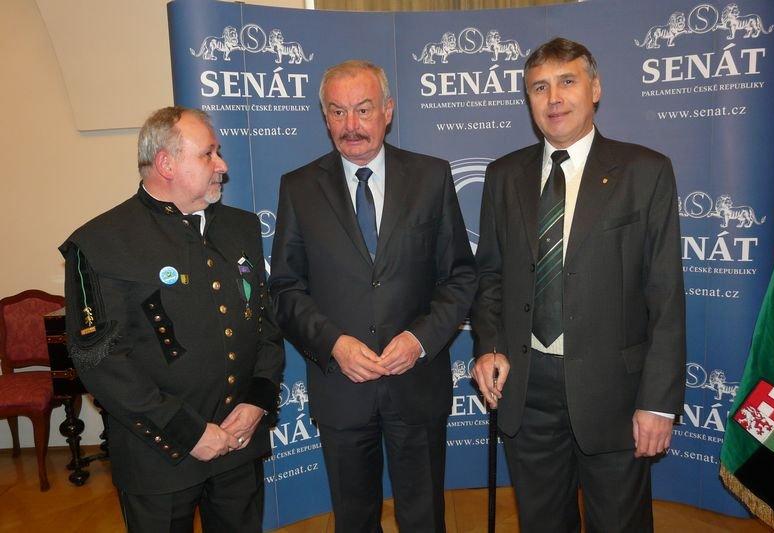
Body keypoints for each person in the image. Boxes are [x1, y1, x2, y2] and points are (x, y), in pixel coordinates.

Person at [471, 38, 686, 532]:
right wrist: (489, 346)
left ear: (595, 89)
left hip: (615, 394)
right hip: (527, 390)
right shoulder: (504, 175)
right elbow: (490, 278)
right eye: (539, 87)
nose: (554, 99)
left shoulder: (645, 171)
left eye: (567, 82)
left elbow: (665, 296)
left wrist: (657, 402)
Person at [269, 60, 476, 532]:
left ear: (388, 111)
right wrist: (334, 344)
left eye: (363, 110)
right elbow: (285, 288)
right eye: (338, 112)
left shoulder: (431, 177)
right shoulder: (298, 188)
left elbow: (460, 277)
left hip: (416, 384)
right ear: (325, 118)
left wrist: (420, 340)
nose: (352, 125)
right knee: (354, 519)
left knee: (424, 518)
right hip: (341, 388)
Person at [60, 106, 284, 532]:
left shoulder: (240, 228)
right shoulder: (100, 243)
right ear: (166, 164)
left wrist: (257, 401)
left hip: (239, 444)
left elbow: (265, 327)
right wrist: (188, 432)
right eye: (208, 154)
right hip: (158, 457)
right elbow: (102, 362)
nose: (223, 165)